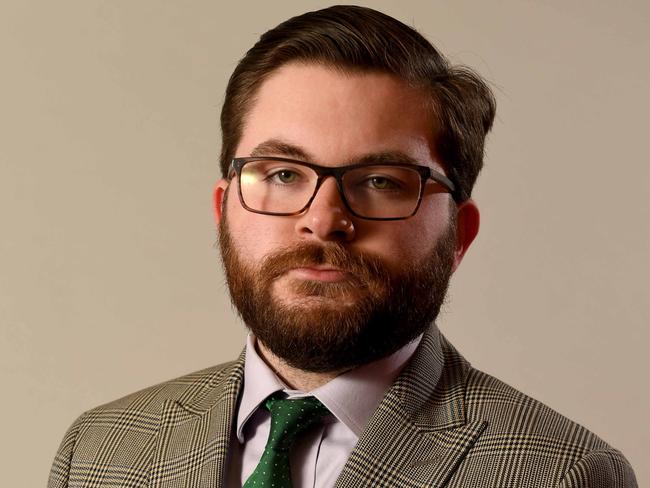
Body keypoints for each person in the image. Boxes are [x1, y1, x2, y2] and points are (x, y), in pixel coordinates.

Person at [48, 5, 637, 487]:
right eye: (282, 175)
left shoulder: (564, 473)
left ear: (459, 235)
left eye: (380, 182)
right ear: (223, 209)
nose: (323, 220)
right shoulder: (97, 455)